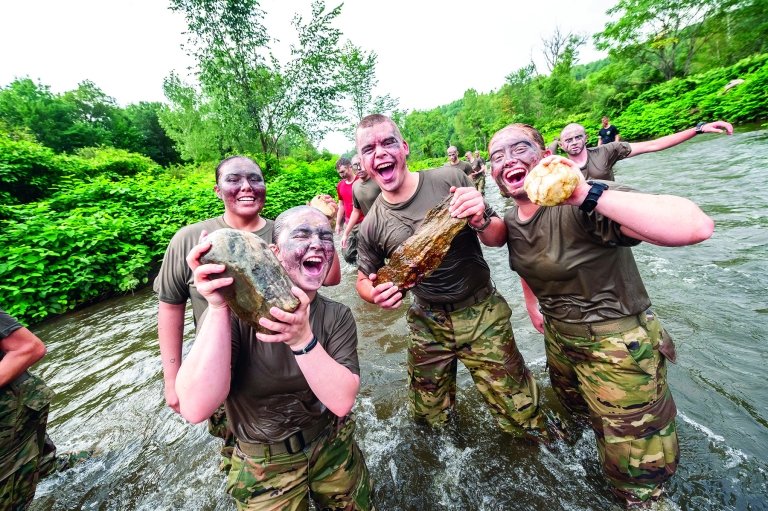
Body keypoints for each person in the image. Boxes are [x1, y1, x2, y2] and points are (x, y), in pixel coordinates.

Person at [484, 123, 715, 505]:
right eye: (497, 156)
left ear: (543, 156)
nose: (507, 160)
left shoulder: (582, 202)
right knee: (581, 424)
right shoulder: (512, 220)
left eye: (519, 148)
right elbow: (525, 261)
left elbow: (695, 225)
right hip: (561, 341)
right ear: (492, 173)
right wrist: (532, 304)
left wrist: (583, 193)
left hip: (618, 349)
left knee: (638, 481)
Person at [354, 114, 548, 439]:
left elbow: (498, 237)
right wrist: (373, 294)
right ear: (363, 162)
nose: (381, 153)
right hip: (426, 320)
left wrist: (480, 216)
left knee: (523, 416)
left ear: (404, 148)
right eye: (369, 148)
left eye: (388, 143)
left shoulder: (450, 180)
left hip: (482, 310)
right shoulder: (372, 224)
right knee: (429, 423)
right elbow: (363, 279)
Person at [176, 206, 374, 510]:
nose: (318, 243)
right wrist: (216, 307)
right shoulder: (233, 316)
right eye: (302, 234)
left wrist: (302, 339)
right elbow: (194, 407)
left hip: (331, 443)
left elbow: (342, 402)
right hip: (262, 462)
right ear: (274, 252)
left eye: (325, 236)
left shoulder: (337, 315)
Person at [154, 155, 340, 472]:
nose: (246, 187)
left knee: (315, 436)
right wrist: (171, 379)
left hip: (287, 363)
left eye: (255, 179)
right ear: (217, 189)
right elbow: (171, 305)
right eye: (234, 180)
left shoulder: (283, 232)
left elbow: (331, 278)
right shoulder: (191, 239)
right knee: (238, 452)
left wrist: (323, 226)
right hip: (220, 363)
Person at [559, 120, 734, 180]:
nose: (574, 142)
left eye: (578, 137)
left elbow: (653, 145)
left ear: (586, 138)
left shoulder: (606, 151)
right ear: (561, 145)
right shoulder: (558, 168)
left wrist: (698, 129)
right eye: (568, 140)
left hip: (610, 219)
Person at [342, 155, 381, 254]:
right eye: (355, 165)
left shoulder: (378, 179)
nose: (359, 168)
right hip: (372, 229)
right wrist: (346, 233)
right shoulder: (355, 185)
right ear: (351, 167)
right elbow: (356, 211)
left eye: (361, 164)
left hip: (387, 226)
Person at [335, 157, 361, 264]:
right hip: (348, 223)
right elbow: (341, 205)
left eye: (343, 171)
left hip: (363, 222)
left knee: (368, 252)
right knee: (347, 255)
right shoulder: (340, 185)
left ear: (350, 167)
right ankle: (356, 270)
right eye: (339, 173)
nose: (341, 175)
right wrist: (337, 224)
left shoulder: (360, 181)